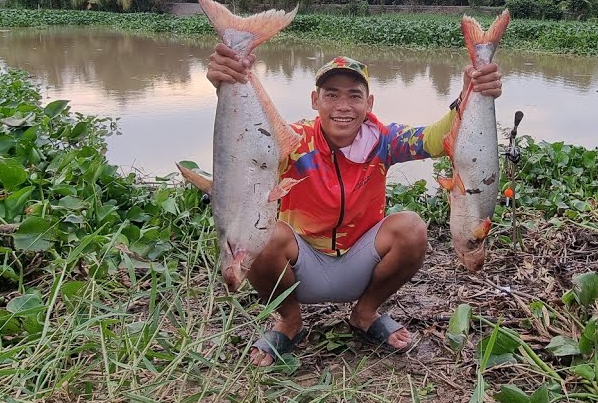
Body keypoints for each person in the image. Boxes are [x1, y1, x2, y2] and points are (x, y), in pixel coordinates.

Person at [206, 47, 503, 366]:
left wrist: (470, 93)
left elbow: (436, 138)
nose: (343, 107)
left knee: (411, 227)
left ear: (369, 103)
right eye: (331, 95)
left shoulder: (385, 141)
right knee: (263, 236)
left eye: (354, 96)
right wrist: (228, 84)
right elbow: (244, 144)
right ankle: (290, 321)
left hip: (362, 265)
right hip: (300, 267)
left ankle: (364, 313)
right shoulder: (291, 143)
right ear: (314, 100)